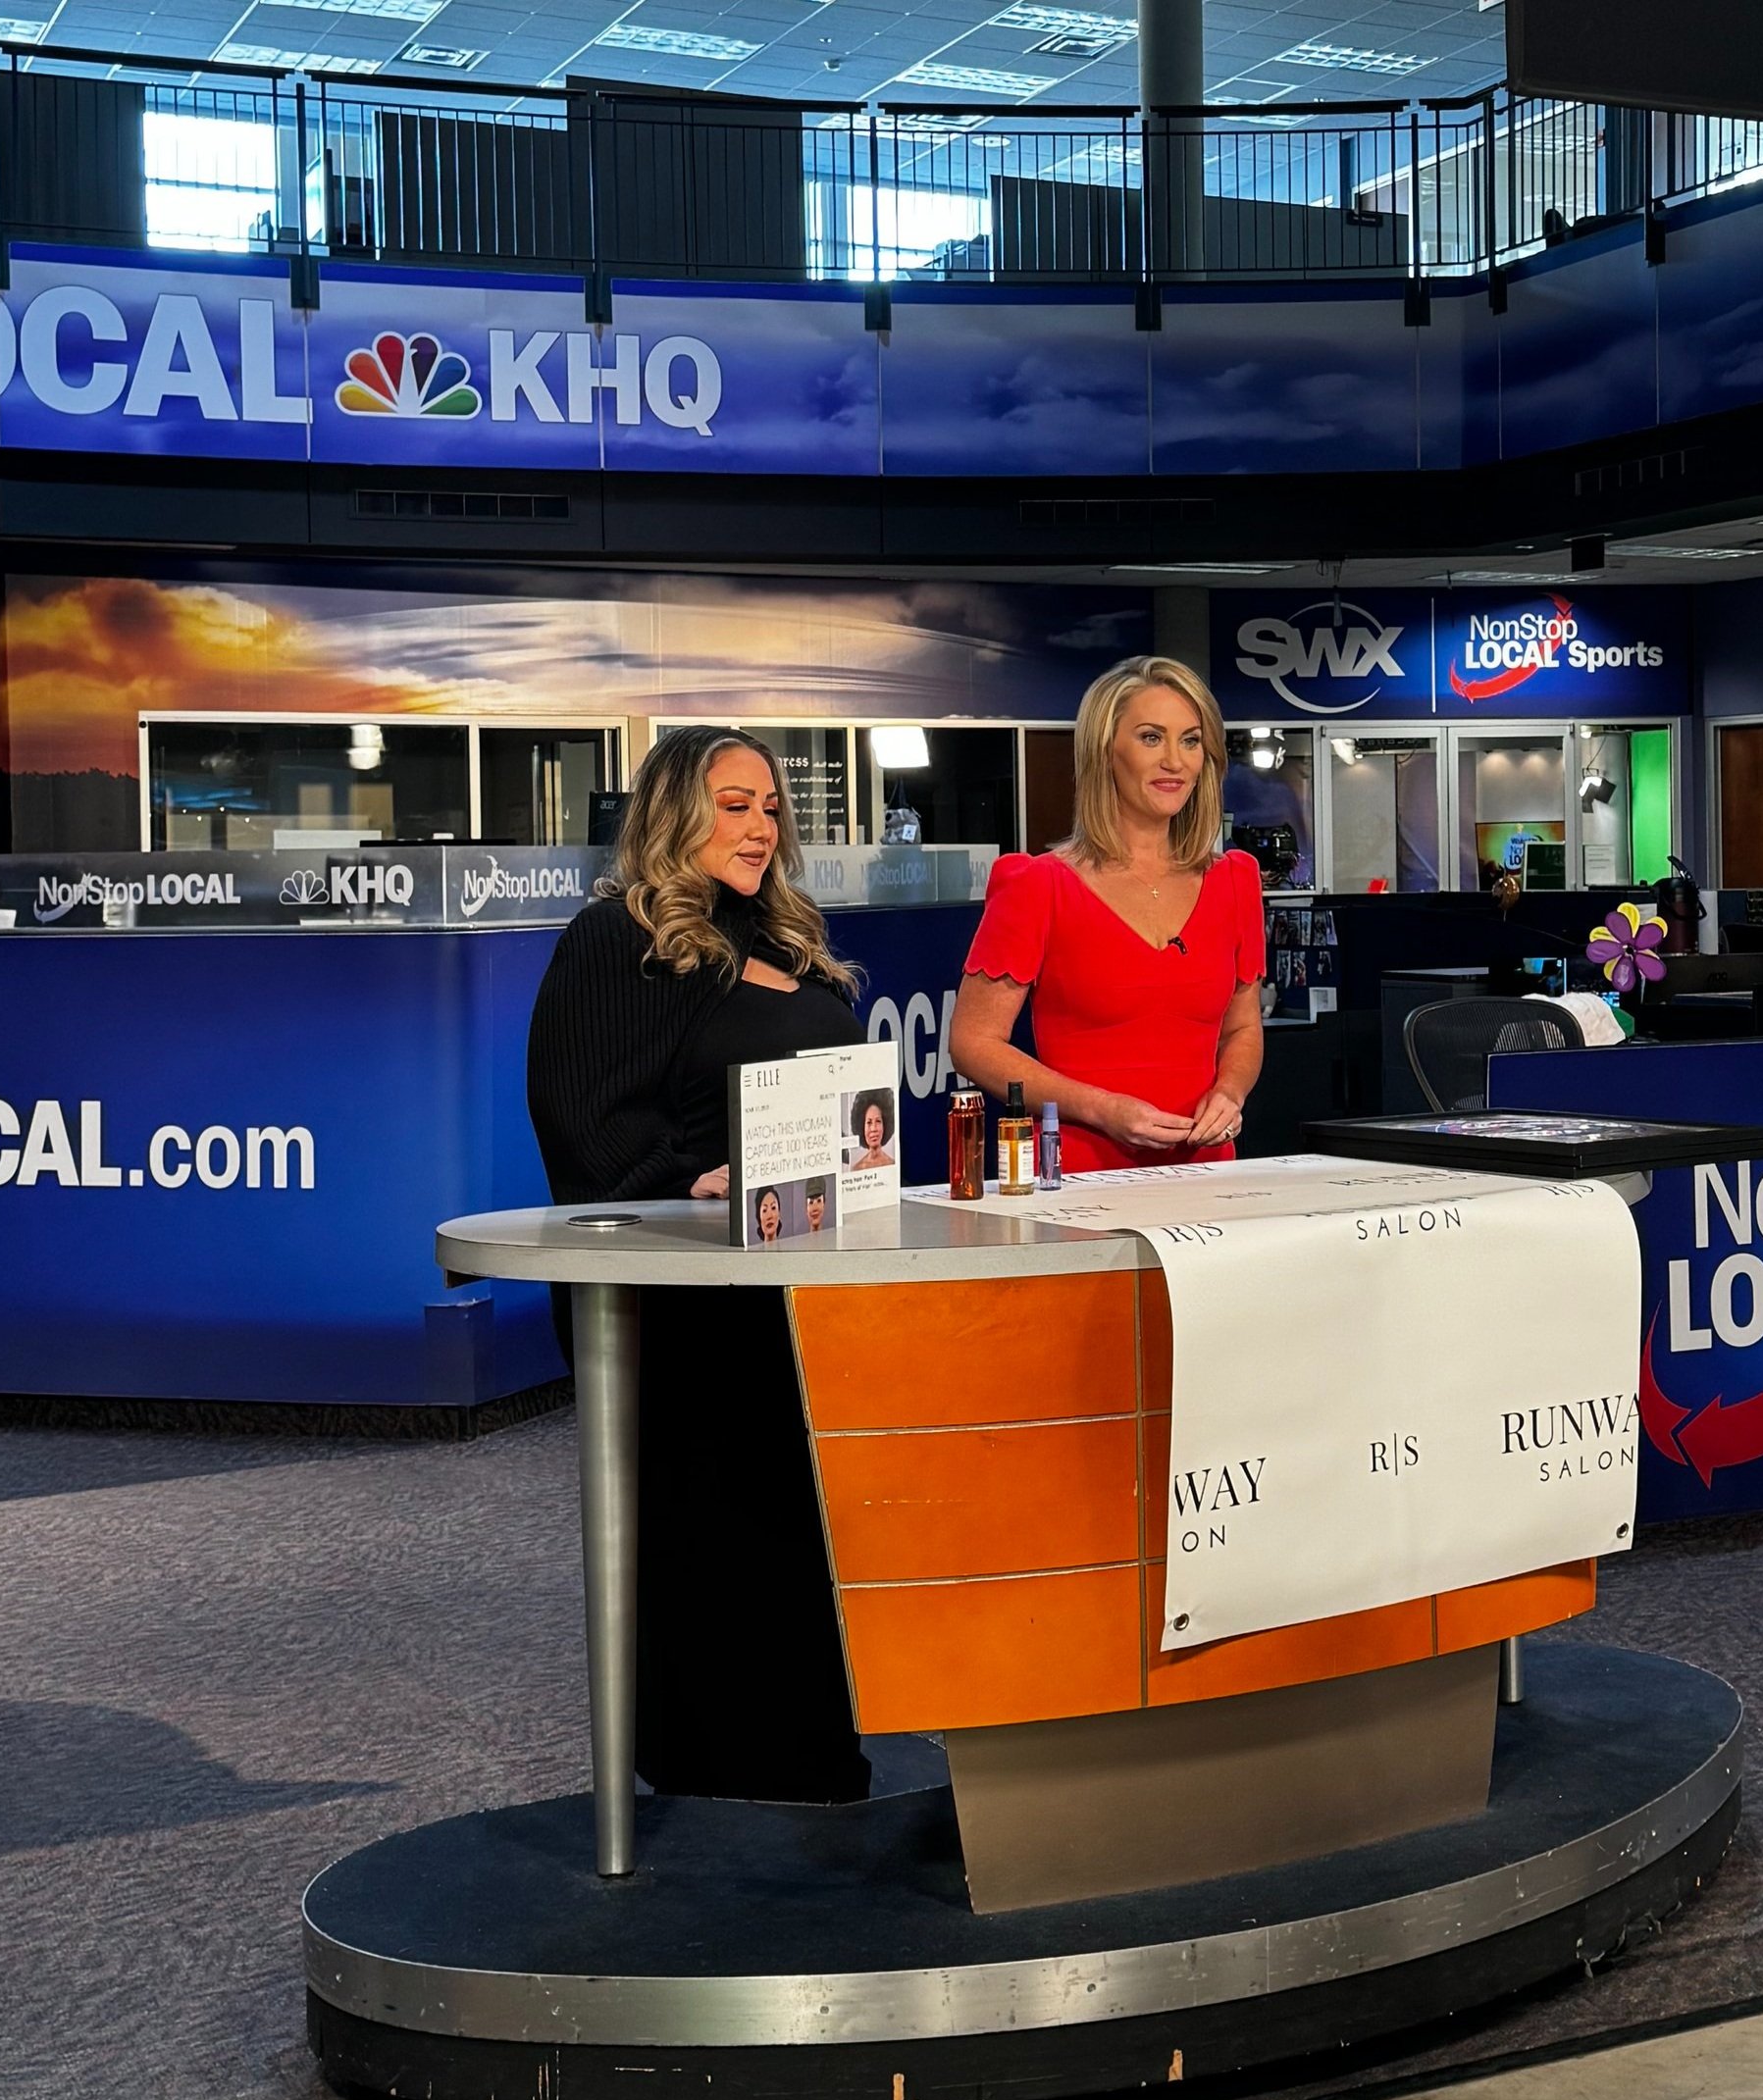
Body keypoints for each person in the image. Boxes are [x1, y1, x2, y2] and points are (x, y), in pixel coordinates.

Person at [526, 724, 871, 1807]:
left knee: (796, 1533)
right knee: (707, 1538)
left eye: (770, 806)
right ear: (673, 811)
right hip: (681, 1300)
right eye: (732, 804)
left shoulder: (785, 936)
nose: (760, 825)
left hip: (798, 1287)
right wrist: (690, 1179)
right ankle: (713, 1782)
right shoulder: (619, 937)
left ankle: (813, 1767)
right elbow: (584, 1128)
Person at [951, 654, 1265, 1176]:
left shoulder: (1235, 880)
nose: (1175, 761)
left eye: (1190, 741)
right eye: (1151, 738)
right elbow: (972, 1044)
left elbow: (1243, 1028)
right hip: (1082, 1180)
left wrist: (1230, 1094)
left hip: (1207, 1174)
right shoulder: (1037, 885)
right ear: (1104, 750)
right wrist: (1102, 1109)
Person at [847, 1088, 896, 1170]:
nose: (873, 1129)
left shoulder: (893, 1164)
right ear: (862, 1127)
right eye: (869, 1122)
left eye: (878, 1121)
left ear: (885, 1125)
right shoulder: (856, 1169)